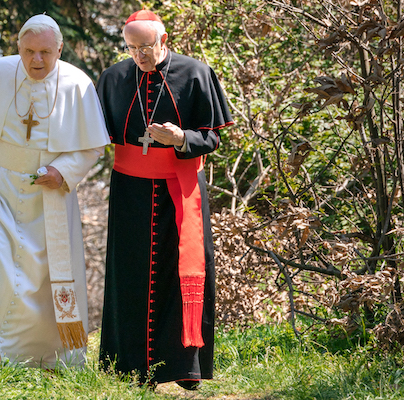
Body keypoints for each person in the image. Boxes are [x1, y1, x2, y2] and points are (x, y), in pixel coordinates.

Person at [0, 14, 110, 370]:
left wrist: (62, 171)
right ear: (18, 48)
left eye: (45, 53)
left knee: (45, 276)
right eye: (29, 51)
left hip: (51, 194)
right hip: (0, 186)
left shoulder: (77, 84)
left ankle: (50, 358)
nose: (36, 60)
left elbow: (90, 147)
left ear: (60, 50)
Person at [96, 9, 233, 389]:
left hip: (181, 186)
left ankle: (184, 368)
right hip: (130, 191)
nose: (139, 56)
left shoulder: (195, 73)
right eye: (132, 48)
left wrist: (180, 139)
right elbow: (94, 133)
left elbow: (212, 138)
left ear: (164, 40)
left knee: (182, 273)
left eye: (146, 47)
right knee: (130, 274)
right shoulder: (113, 78)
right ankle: (129, 368)